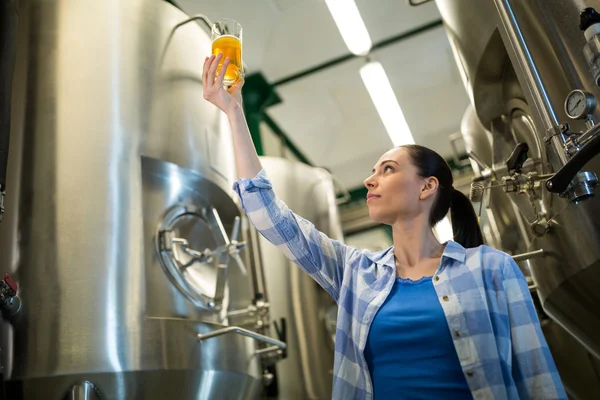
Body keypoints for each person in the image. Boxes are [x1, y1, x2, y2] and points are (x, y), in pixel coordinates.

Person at [202, 53, 567, 400]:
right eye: (373, 171)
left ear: (427, 186)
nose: (368, 180)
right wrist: (234, 112)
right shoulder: (356, 275)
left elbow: (538, 378)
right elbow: (266, 213)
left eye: (387, 169)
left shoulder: (491, 269)